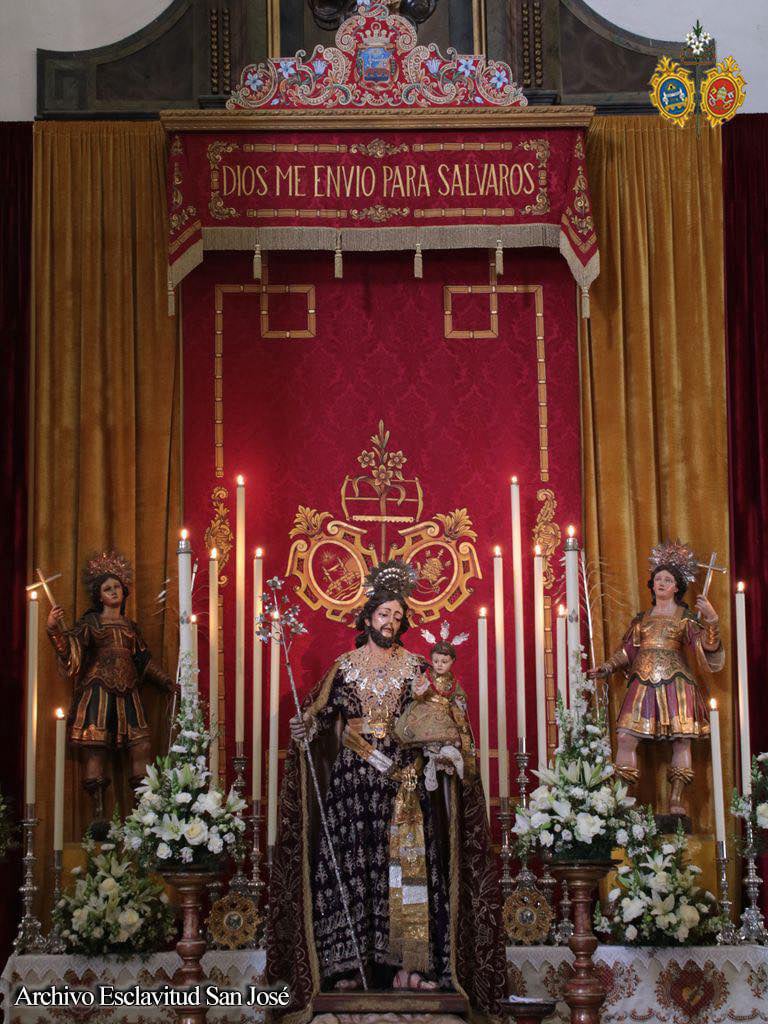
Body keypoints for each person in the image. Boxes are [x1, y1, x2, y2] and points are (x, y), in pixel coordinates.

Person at [266, 561, 504, 1023]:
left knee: (408, 871)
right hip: (353, 787)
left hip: (403, 782)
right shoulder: (344, 667)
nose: (390, 621)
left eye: (397, 616)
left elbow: (444, 712)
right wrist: (304, 726)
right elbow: (318, 718)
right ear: (368, 617)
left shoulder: (417, 668)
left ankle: (408, 968)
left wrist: (443, 732)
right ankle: (347, 967)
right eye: (383, 614)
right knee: (352, 868)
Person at [589, 542, 724, 816]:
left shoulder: (685, 618)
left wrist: (711, 621)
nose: (661, 583)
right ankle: (623, 800)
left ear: (677, 588)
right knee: (625, 737)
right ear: (652, 585)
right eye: (658, 579)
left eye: (668, 580)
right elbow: (628, 651)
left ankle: (676, 800)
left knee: (681, 739)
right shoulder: (642, 619)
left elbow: (707, 647)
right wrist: (607, 667)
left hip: (677, 682)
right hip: (642, 680)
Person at [46, 551, 174, 830]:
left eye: (117, 586)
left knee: (141, 745)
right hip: (98, 692)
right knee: (96, 749)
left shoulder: (130, 627)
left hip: (129, 691)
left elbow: (143, 661)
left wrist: (165, 681)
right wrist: (54, 629)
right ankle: (99, 814)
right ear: (100, 596)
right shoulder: (91, 624)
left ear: (124, 591)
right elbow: (71, 652)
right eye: (107, 588)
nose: (114, 591)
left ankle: (143, 813)